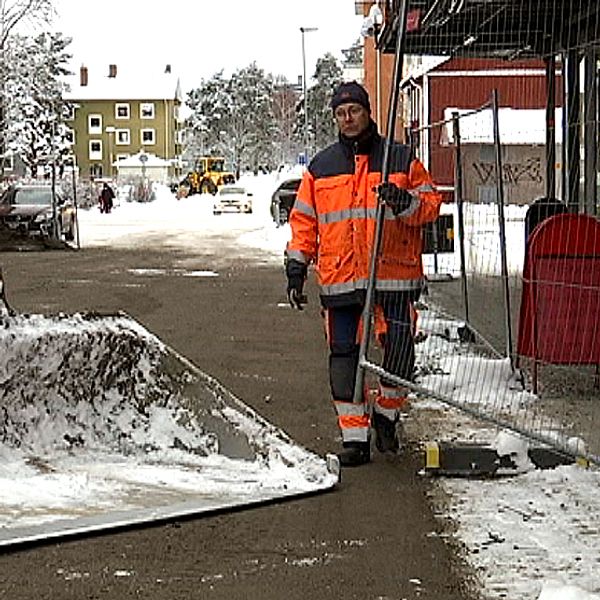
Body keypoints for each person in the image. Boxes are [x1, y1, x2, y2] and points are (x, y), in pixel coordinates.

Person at [285, 81, 442, 466]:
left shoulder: (400, 159)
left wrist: (405, 202)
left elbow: (431, 205)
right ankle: (355, 439)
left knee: (401, 354)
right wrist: (296, 268)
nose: (347, 119)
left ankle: (386, 415)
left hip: (393, 278)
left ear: (367, 111)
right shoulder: (320, 168)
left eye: (353, 110)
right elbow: (304, 222)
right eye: (340, 113)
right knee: (344, 357)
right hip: (340, 280)